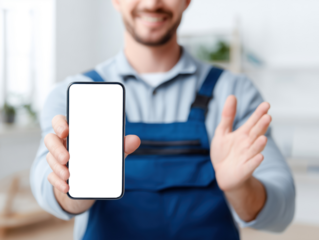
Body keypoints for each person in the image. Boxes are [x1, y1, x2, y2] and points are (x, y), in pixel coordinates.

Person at [30, 0, 295, 239]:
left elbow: (281, 211)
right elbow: (46, 186)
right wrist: (76, 185)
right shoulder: (74, 95)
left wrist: (240, 187)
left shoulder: (234, 93)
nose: (152, 2)